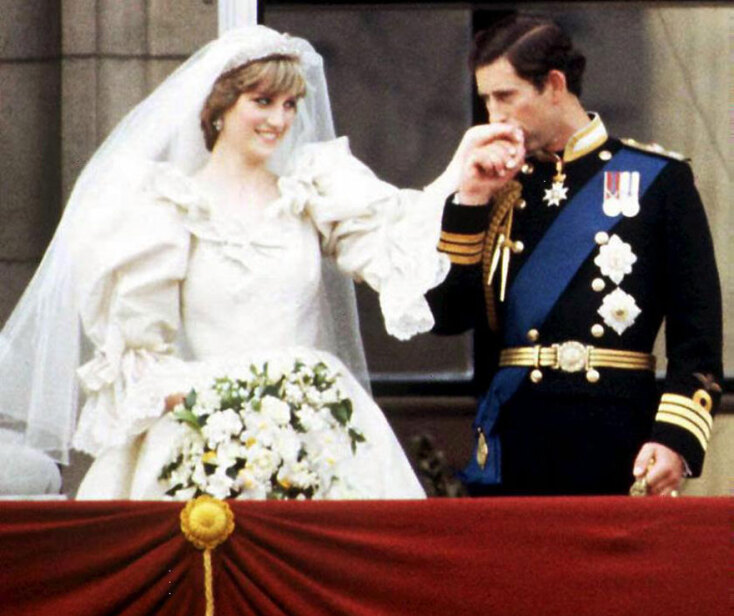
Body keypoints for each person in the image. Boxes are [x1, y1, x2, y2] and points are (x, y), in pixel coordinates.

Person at [0, 26, 459, 499]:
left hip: (317, 432)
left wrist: (460, 178)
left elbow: (397, 242)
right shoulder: (166, 209)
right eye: (262, 101)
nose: (279, 120)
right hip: (206, 438)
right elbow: (140, 354)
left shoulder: (311, 192)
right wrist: (224, 411)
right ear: (219, 107)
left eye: (290, 105)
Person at [427, 14, 723, 496]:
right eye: (486, 100)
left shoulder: (659, 180)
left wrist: (675, 438)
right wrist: (471, 200)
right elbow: (445, 316)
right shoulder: (496, 187)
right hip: (516, 439)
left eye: (505, 96)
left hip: (618, 439)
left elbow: (698, 335)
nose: (493, 116)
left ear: (554, 85)